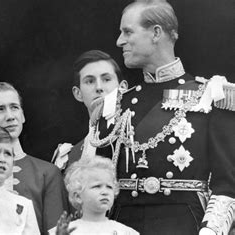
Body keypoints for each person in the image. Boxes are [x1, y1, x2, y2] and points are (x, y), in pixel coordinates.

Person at [91, 1, 235, 234]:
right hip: (122, 226)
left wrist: (210, 232)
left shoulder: (211, 96)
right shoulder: (117, 103)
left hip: (186, 226)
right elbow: (98, 182)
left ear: (156, 33)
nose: (119, 41)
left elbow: (227, 186)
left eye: (127, 32)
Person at [0, 81, 68, 233]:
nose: (10, 116)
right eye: (0, 110)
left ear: (22, 115)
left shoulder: (46, 173)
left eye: (14, 108)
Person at [52, 50, 128, 172]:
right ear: (78, 94)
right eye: (90, 81)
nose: (99, 88)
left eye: (106, 79)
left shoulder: (138, 137)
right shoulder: (71, 156)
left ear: (123, 87)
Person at [51, 156, 139, 235]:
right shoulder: (66, 231)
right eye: (97, 186)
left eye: (109, 187)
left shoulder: (126, 232)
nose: (105, 192)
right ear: (78, 196)